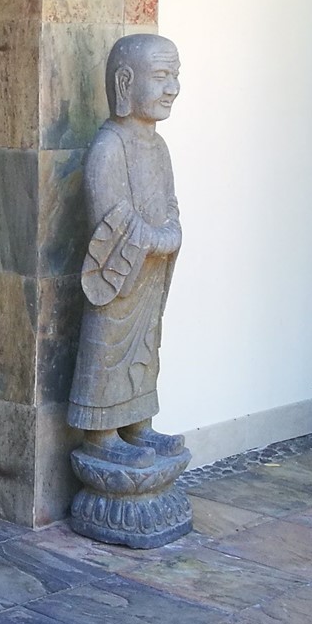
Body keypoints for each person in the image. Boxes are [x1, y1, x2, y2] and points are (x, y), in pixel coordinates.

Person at [68, 32, 183, 458]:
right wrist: (156, 238)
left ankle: (138, 423)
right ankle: (100, 436)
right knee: (108, 347)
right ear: (124, 84)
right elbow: (110, 218)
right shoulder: (108, 147)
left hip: (150, 274)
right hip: (120, 274)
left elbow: (169, 202)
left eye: (175, 76)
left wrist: (173, 228)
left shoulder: (159, 147)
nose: (172, 87)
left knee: (147, 345)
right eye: (160, 75)